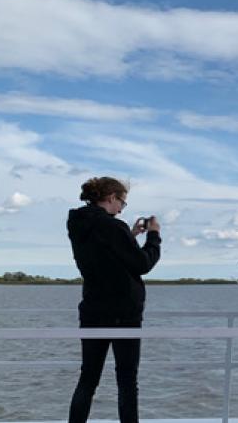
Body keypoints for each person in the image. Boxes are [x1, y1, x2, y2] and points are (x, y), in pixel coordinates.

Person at [67, 176, 161, 423]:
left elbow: (104, 253)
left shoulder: (78, 224)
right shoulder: (112, 227)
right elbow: (142, 264)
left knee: (88, 379)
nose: (121, 209)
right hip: (124, 313)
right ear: (110, 197)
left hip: (92, 310)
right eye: (122, 202)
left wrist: (130, 235)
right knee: (127, 380)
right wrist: (153, 237)